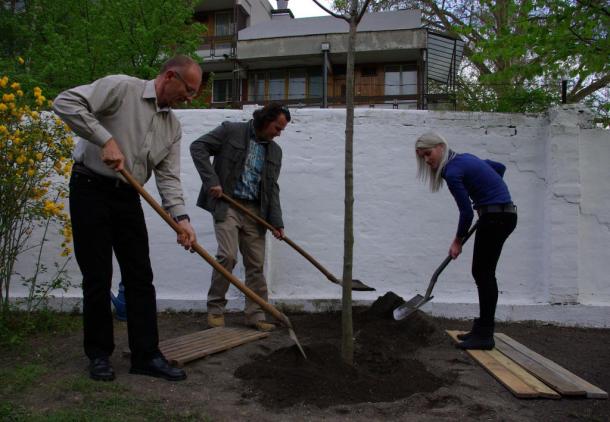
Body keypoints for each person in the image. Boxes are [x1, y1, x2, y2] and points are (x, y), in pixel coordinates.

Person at [53, 55, 201, 381]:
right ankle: (99, 355)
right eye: (188, 90)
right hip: (89, 188)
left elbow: (168, 179)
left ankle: (146, 355)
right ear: (170, 76)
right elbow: (64, 101)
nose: (189, 99)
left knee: (139, 275)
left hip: (127, 196)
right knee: (97, 275)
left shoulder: (172, 127)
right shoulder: (122, 88)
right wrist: (104, 138)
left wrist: (182, 218)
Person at [190, 103, 291, 332]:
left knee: (256, 264)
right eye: (277, 127)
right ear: (265, 120)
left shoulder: (275, 151)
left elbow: (272, 187)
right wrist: (212, 181)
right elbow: (198, 147)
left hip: (255, 212)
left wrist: (277, 222)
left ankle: (255, 315)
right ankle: (215, 309)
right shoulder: (231, 131)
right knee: (227, 256)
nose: (279, 133)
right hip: (228, 205)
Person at [415, 131, 517, 350]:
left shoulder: (452, 172)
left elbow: (466, 213)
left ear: (441, 147)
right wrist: (491, 193)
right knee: (482, 272)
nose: (426, 160)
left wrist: (457, 241)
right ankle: (481, 330)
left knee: (483, 273)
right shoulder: (466, 159)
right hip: (501, 215)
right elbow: (499, 167)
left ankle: (486, 335)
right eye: (422, 156)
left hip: (496, 218)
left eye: (428, 153)